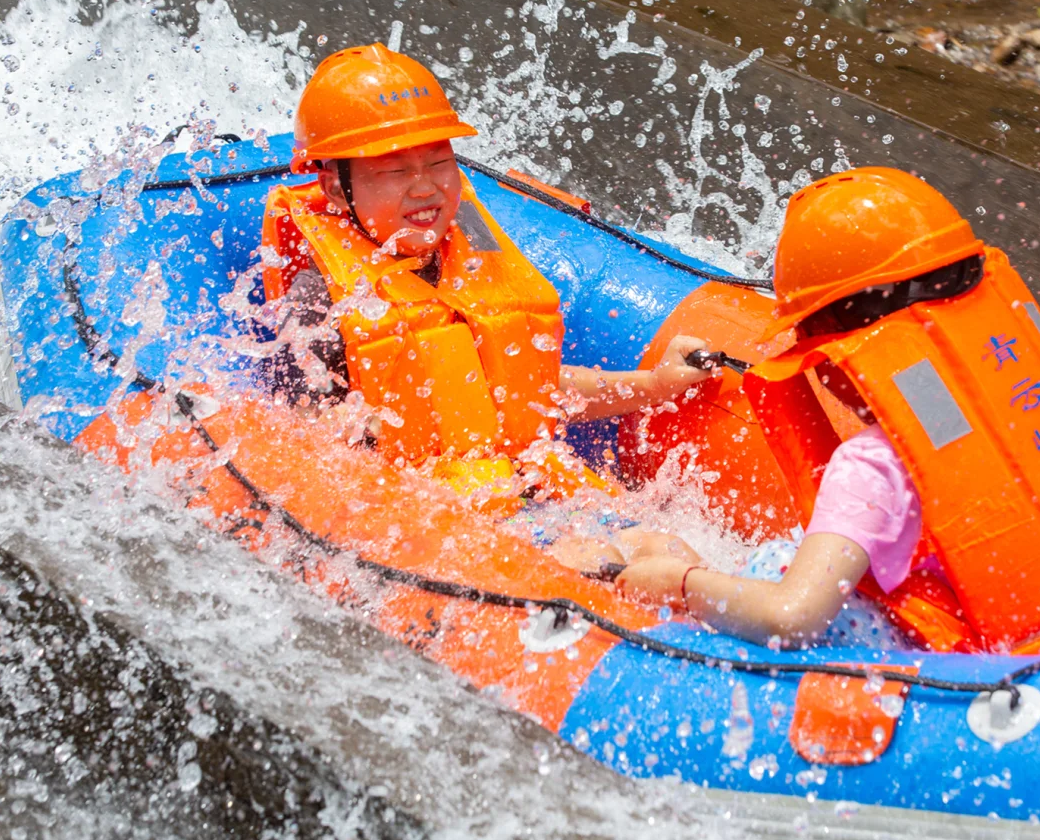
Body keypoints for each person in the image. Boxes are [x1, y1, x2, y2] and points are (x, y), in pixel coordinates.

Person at [615, 168, 1040, 652]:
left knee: (651, 548)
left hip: (945, 668)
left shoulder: (873, 468)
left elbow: (794, 617)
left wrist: (681, 585)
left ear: (833, 353)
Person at [258, 43, 711, 506]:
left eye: (439, 162)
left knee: (655, 548)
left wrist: (655, 385)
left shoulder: (470, 251)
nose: (426, 187)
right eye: (395, 171)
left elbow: (533, 388)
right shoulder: (321, 305)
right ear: (337, 187)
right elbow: (301, 447)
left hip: (522, 489)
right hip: (427, 519)